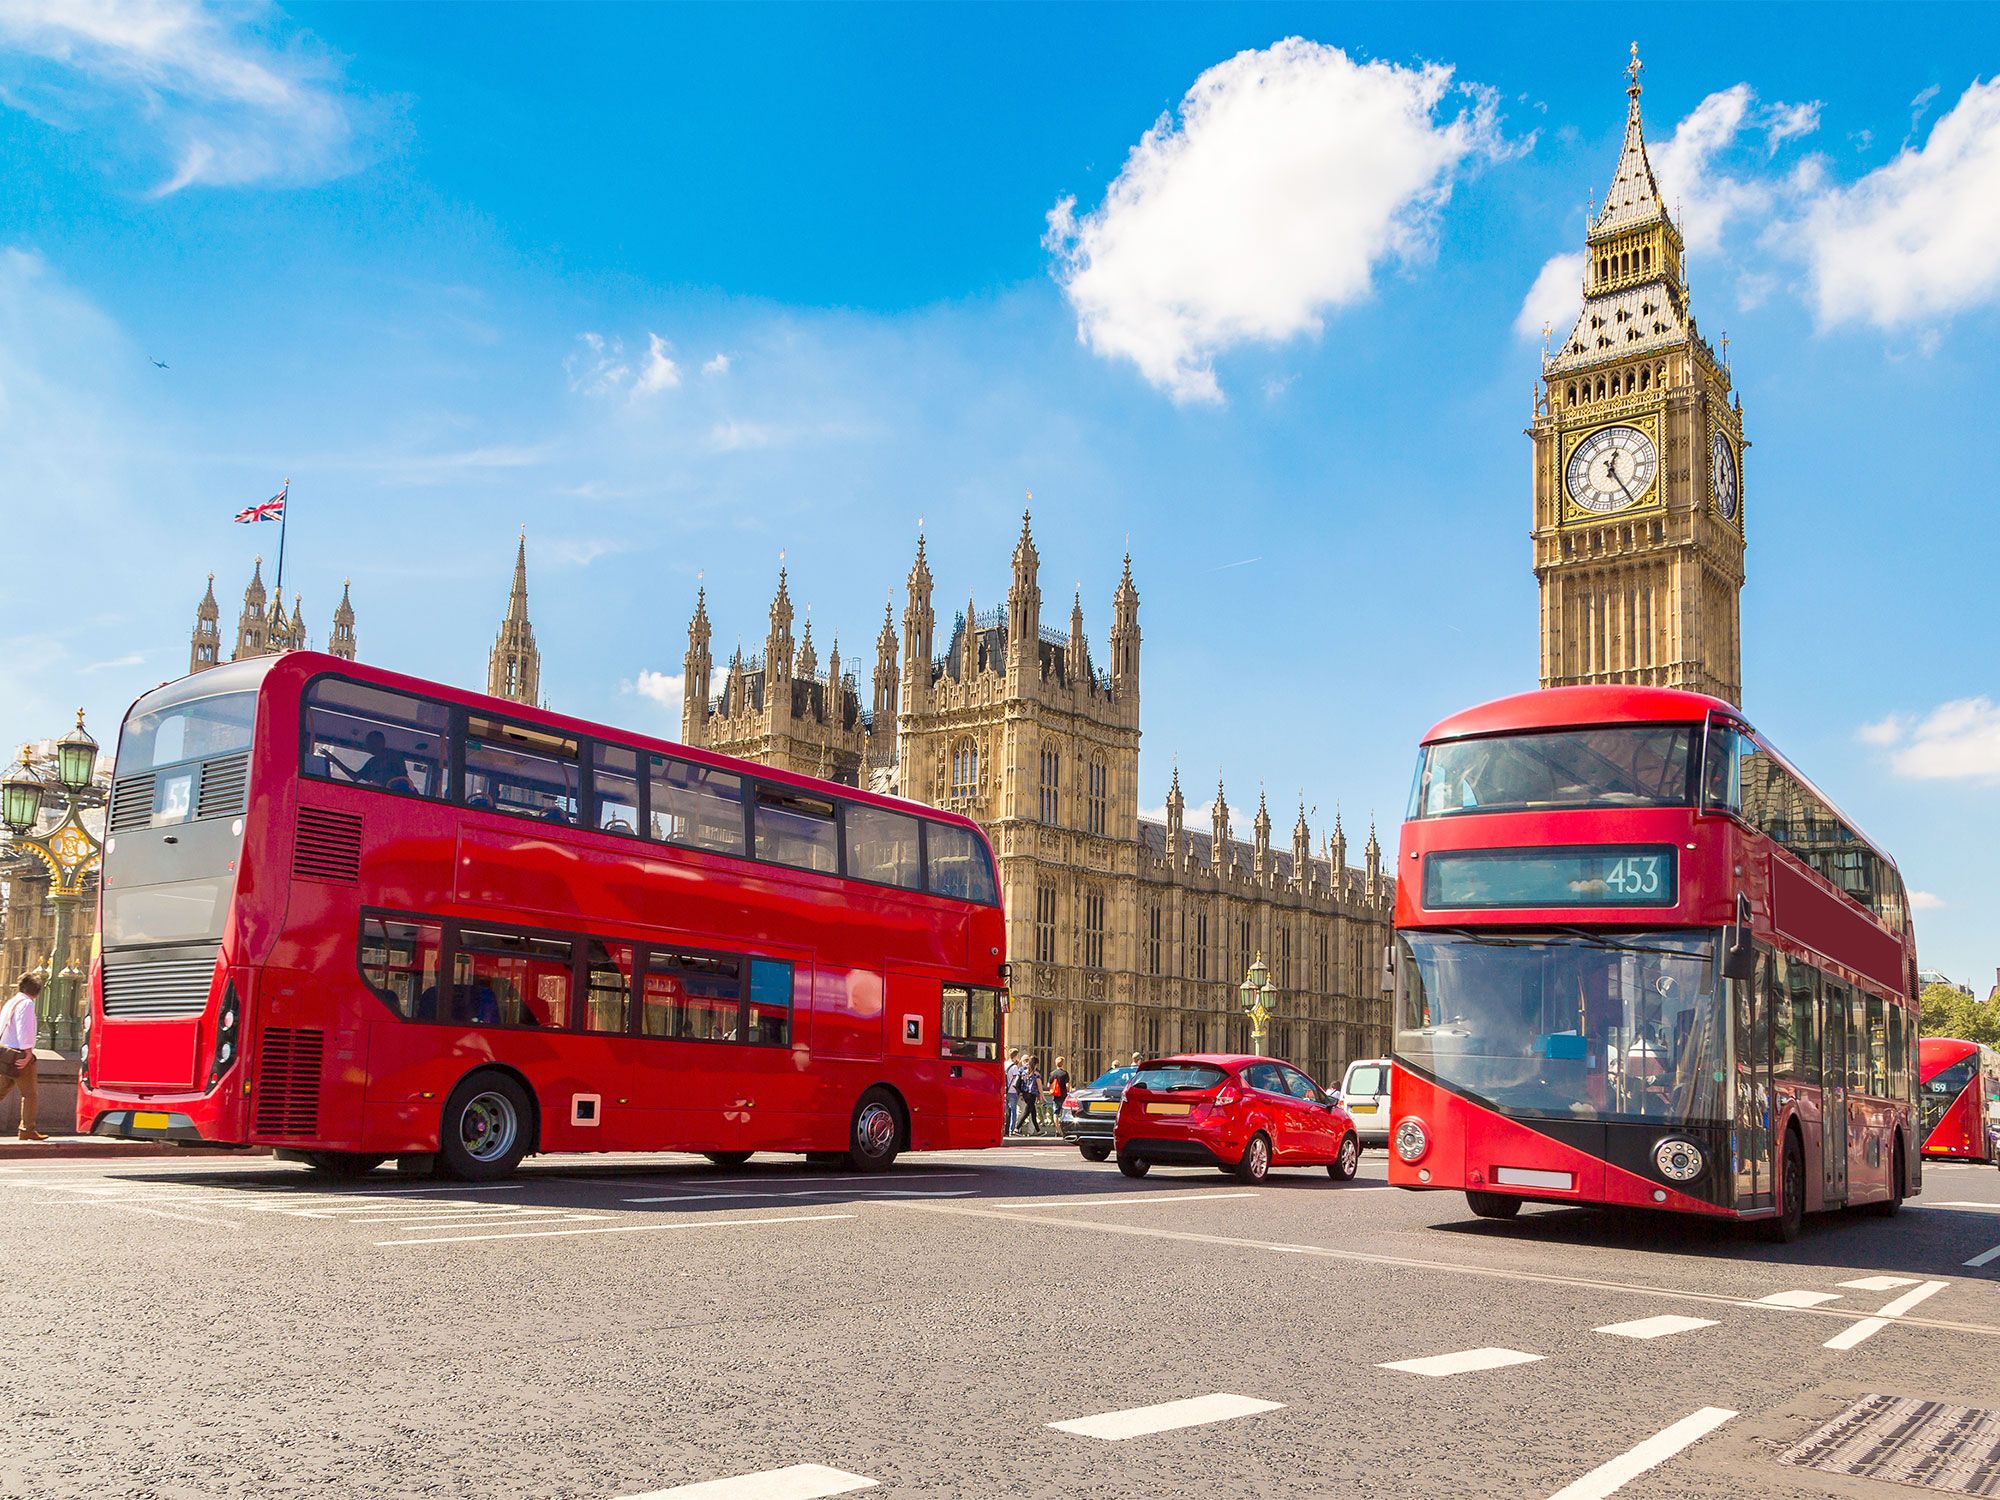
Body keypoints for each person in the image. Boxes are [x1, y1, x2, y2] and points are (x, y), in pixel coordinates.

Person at [0, 975, 49, 1142]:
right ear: (37, 992)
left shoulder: (11, 1002)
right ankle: (27, 1129)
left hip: (4, 1054)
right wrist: (28, 1053)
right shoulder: (27, 1004)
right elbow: (24, 1029)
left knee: (1, 1091)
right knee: (30, 1095)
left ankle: (27, 1130)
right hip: (18, 1055)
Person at [1016, 1057, 1043, 1135]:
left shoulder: (1022, 1069)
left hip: (1024, 1093)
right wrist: (1040, 1096)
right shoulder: (1036, 1072)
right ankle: (1016, 1128)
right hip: (1031, 1094)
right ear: (1036, 1064)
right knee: (1026, 1113)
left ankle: (1039, 1131)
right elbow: (1038, 1085)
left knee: (1033, 1113)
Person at [1047, 1056, 1071, 1126]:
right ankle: (1062, 1128)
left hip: (1056, 1095)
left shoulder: (1052, 1073)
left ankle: (1057, 1130)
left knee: (1056, 1113)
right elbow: (1067, 1085)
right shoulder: (1065, 1073)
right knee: (1064, 1113)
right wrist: (1068, 1092)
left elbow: (1048, 1085)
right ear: (1063, 1064)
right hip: (1063, 1095)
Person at [1004, 1050, 1023, 1135]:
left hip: (1005, 1090)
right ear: (1015, 1056)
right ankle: (1012, 1129)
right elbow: (1016, 1079)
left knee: (1006, 1111)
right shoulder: (1014, 1067)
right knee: (1013, 1111)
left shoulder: (1005, 1064)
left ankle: (1005, 1128)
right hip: (1012, 1091)